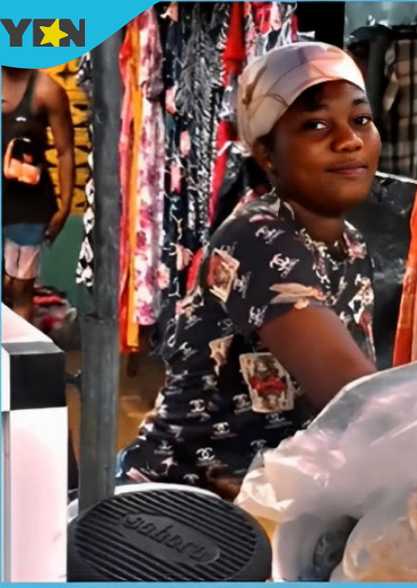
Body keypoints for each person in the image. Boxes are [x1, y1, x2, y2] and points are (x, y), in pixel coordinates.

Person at [118, 42, 381, 499]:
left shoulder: (351, 244)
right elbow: (355, 398)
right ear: (266, 153)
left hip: (271, 495)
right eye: (316, 125)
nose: (349, 140)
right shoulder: (259, 239)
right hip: (184, 505)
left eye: (360, 119)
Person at [2, 66, 75, 321]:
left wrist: (65, 206)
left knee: (19, 289)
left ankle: (16, 357)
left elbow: (65, 150)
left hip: (28, 208)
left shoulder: (47, 90)